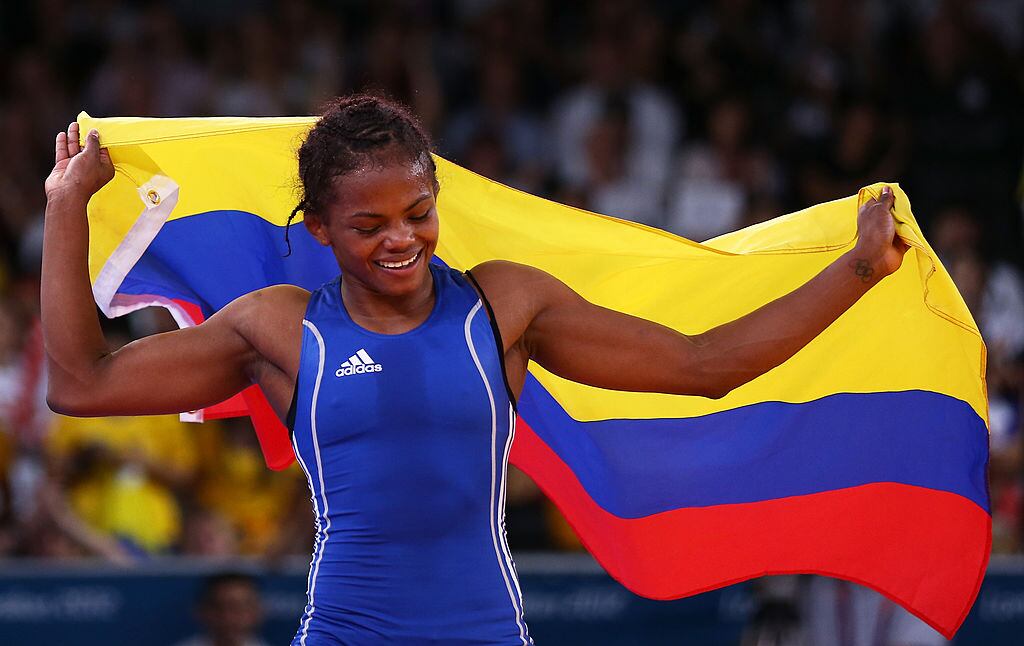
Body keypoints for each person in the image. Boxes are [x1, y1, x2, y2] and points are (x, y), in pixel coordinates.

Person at [41, 95, 908, 644]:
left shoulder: (505, 307)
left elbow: (707, 365)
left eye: (418, 213)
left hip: (485, 631)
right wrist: (65, 206)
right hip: (345, 633)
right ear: (320, 234)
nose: (400, 240)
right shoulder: (279, 326)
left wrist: (857, 270)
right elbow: (81, 384)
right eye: (368, 224)